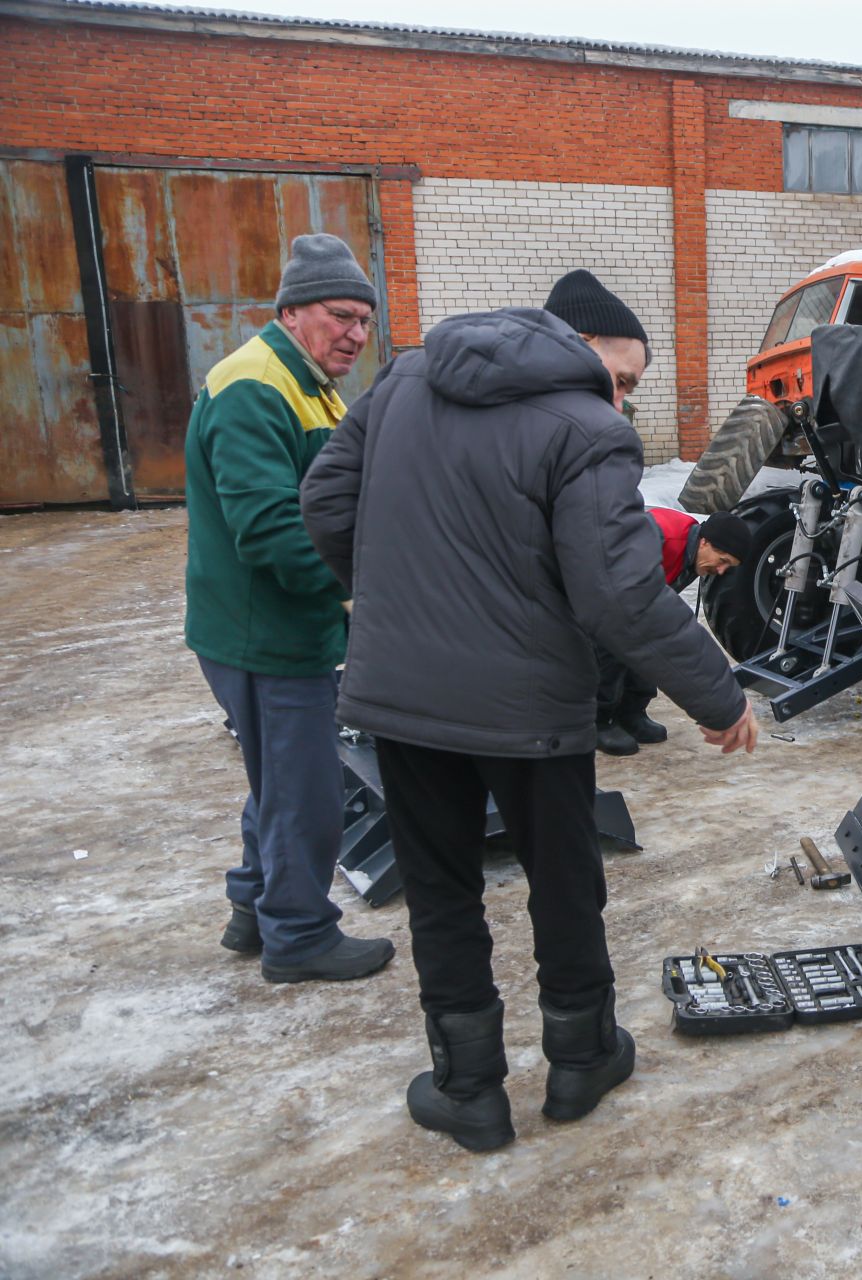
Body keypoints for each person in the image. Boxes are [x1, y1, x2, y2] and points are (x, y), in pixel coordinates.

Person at [299, 269, 757, 1153]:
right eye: (619, 378)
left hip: (405, 700)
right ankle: (582, 1057)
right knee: (563, 882)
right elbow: (621, 593)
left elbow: (325, 502)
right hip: (530, 710)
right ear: (573, 347)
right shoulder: (585, 429)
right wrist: (719, 692)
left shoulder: (403, 380)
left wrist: (400, 606)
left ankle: (467, 1088)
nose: (620, 401)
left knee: (439, 892)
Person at [184, 232, 394, 985]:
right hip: (261, 633)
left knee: (278, 779)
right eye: (342, 317)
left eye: (365, 322)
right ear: (293, 310)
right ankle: (298, 934)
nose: (357, 335)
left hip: (289, 626)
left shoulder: (306, 380)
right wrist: (370, 587)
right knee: (305, 790)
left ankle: (252, 907)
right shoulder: (254, 386)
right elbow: (272, 533)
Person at [596, 507, 752, 753]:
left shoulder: (694, 557)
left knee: (652, 635)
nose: (721, 571)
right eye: (722, 561)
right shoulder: (659, 538)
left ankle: (631, 711)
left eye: (728, 567)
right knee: (614, 642)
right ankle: (599, 720)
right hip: (598, 594)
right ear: (705, 542)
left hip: (630, 601)